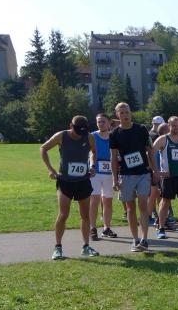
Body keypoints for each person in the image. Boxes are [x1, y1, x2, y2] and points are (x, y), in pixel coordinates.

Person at [39, 115, 100, 259]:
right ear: (70, 126)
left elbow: (94, 152)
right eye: (78, 131)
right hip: (65, 182)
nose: (80, 134)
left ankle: (86, 247)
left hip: (83, 181)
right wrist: (50, 169)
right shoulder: (61, 136)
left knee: (85, 216)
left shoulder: (89, 137)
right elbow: (43, 148)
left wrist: (92, 166)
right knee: (63, 214)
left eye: (83, 131)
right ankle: (58, 248)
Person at [110, 102, 159, 253]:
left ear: (130, 113)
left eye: (127, 112)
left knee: (143, 205)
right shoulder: (114, 134)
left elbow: (150, 151)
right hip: (126, 175)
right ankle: (135, 239)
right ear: (117, 115)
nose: (125, 115)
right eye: (122, 113)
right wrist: (114, 178)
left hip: (143, 173)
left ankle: (144, 239)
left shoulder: (141, 129)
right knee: (130, 208)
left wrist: (155, 171)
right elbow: (113, 158)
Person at [89, 113, 117, 240]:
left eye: (103, 121)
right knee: (94, 200)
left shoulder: (114, 137)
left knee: (107, 201)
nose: (100, 124)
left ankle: (106, 228)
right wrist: (91, 166)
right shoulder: (92, 136)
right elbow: (89, 153)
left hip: (109, 173)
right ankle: (92, 228)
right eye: (98, 122)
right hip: (95, 172)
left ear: (109, 123)